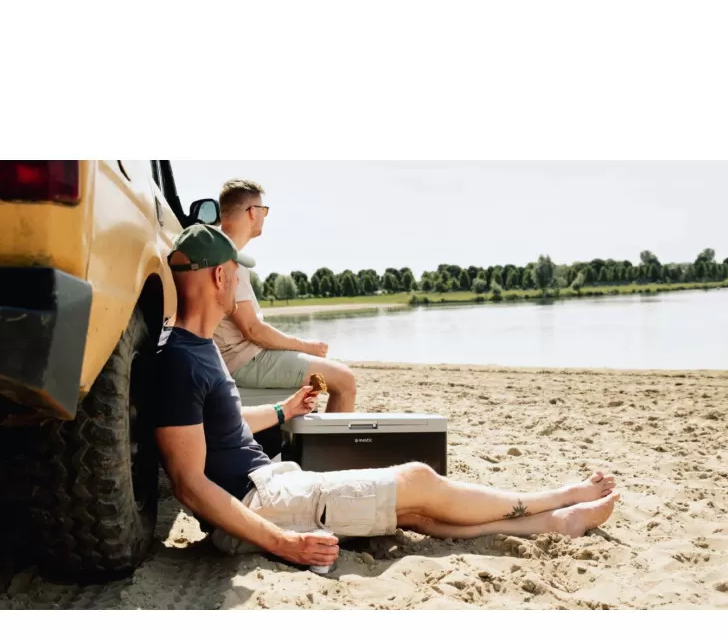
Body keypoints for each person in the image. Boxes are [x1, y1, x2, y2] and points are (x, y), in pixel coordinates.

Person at [155, 223, 620, 568]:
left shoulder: (199, 347)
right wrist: (285, 544)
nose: (240, 283)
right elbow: (188, 484)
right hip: (263, 503)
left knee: (416, 514)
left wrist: (283, 409)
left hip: (273, 486)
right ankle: (554, 497)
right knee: (419, 479)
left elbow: (222, 425)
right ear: (220, 277)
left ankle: (555, 522)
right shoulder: (182, 360)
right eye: (236, 272)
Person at [212, 178, 357, 413]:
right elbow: (253, 330)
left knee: (325, 375)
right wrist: (306, 347)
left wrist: (299, 348)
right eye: (264, 210)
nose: (264, 217)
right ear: (252, 212)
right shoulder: (229, 259)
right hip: (243, 361)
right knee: (344, 379)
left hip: (242, 355)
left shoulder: (217, 250)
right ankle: (327, 440)